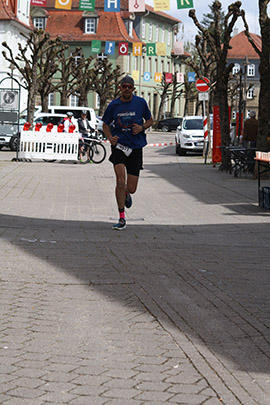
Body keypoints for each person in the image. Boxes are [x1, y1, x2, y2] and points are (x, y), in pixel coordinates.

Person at [102, 75, 153, 230]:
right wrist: (110, 138)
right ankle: (122, 217)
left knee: (131, 188)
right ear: (120, 88)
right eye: (124, 86)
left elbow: (151, 120)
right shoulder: (114, 105)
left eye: (129, 87)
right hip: (119, 146)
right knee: (119, 181)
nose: (126, 89)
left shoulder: (140, 103)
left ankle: (125, 193)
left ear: (133, 89)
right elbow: (105, 124)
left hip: (136, 147)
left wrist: (142, 127)